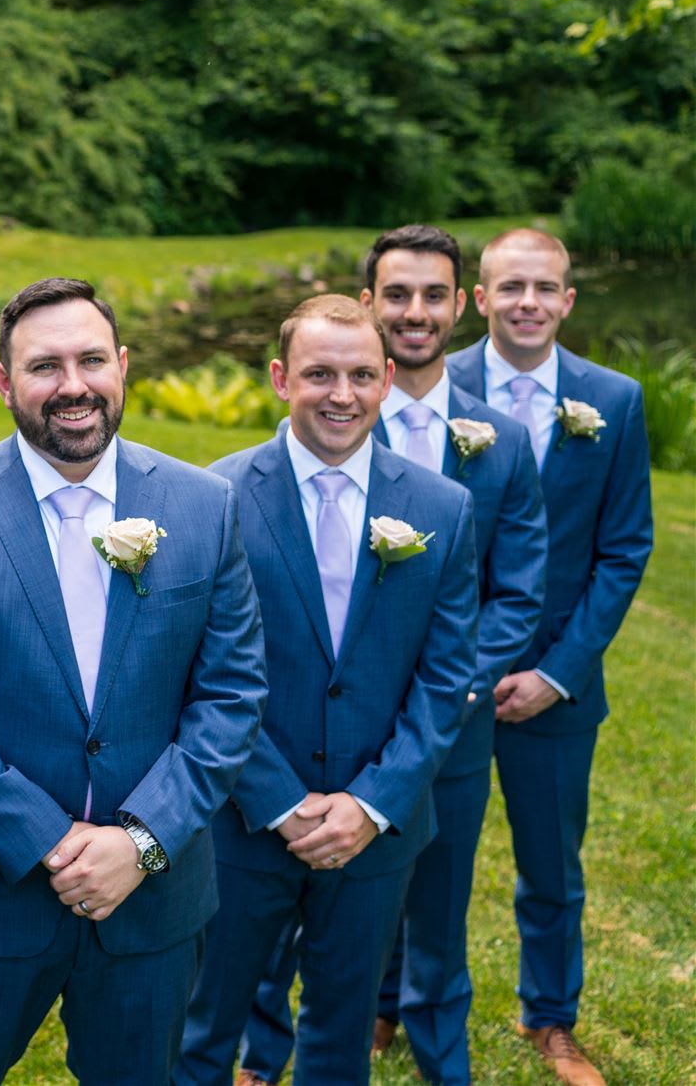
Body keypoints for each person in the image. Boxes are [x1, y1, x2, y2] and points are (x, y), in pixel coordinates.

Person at [0, 277, 267, 1085]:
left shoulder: (205, 506)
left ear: (123, 365)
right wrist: (50, 839)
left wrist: (141, 840)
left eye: (92, 360)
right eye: (45, 366)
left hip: (152, 900)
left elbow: (231, 695)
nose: (74, 385)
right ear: (3, 382)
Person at [238, 226, 547, 1086]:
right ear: (368, 305)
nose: (417, 311)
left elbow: (506, 600)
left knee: (424, 920)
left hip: (427, 740)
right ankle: (261, 1054)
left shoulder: (486, 453)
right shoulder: (251, 475)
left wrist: (434, 708)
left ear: (459, 304)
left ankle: (437, 1057)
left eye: (434, 294)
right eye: (398, 295)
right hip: (284, 754)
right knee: (257, 945)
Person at [176, 294, 478, 1086]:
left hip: (375, 830)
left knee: (342, 1038)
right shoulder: (215, 496)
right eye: (319, 374)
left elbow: (445, 676)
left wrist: (372, 802)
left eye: (361, 375)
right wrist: (278, 799)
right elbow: (197, 671)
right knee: (201, 1029)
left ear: (387, 381)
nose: (341, 394)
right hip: (242, 821)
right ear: (282, 378)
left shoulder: (443, 507)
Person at [447, 229, 652, 1086]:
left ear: (568, 300)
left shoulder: (615, 400)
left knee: (552, 863)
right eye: (510, 286)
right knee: (415, 856)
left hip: (556, 682)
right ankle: (389, 1001)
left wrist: (558, 672)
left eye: (545, 287)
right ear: (481, 298)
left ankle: (552, 1016)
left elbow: (624, 548)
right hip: (445, 674)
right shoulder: (429, 384)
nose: (527, 301)